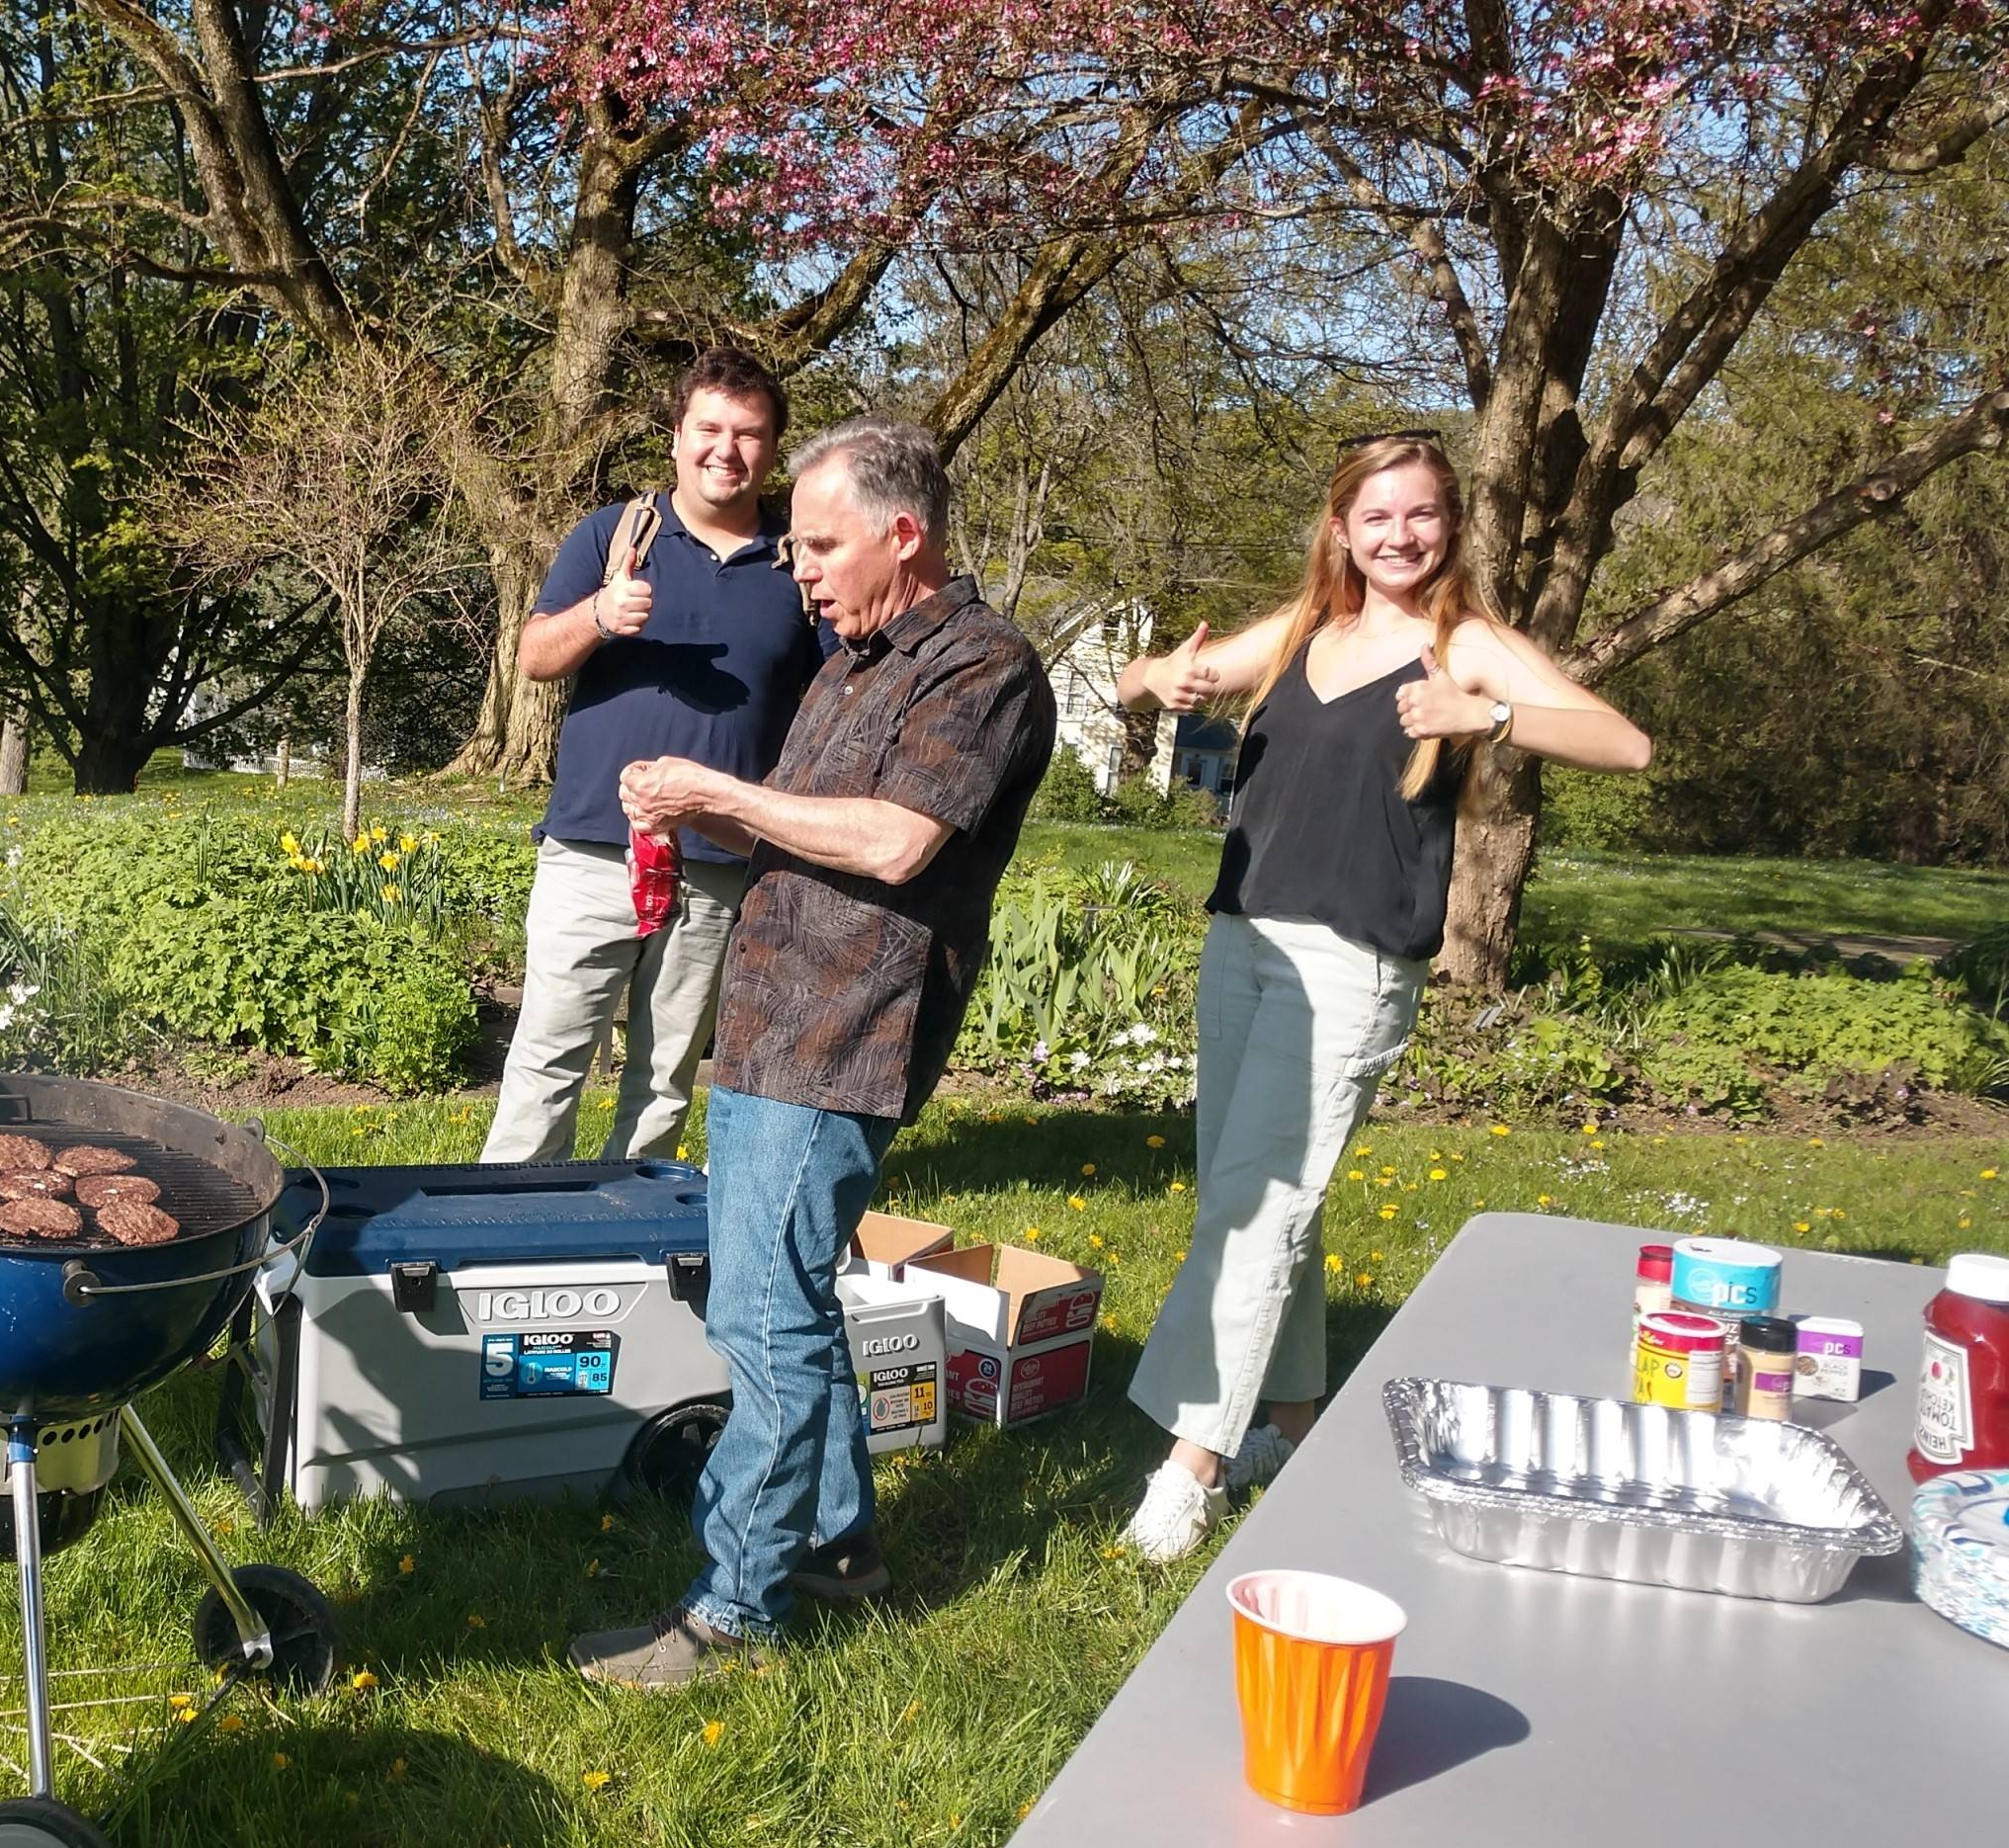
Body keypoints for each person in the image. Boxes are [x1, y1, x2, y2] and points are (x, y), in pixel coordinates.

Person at [567, 419, 1055, 1687]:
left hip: (845, 1032)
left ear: (904, 533)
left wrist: (717, 795)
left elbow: (895, 842)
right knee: (784, 1297)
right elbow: (800, 824)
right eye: (795, 550)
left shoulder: (982, 665)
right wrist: (681, 800)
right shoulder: (851, 660)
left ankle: (737, 1607)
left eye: (823, 547)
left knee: (763, 1320)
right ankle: (836, 1542)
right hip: (770, 1020)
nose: (802, 573)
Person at [1114, 432, 1651, 1561]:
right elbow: (1139, 681)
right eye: (1376, 516)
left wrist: (1488, 719)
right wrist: (1154, 679)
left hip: (1349, 962)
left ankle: (1189, 1466)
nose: (1399, 535)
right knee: (1260, 1201)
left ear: (1447, 525)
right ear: (1340, 528)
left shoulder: (1468, 647)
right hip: (1243, 939)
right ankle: (1293, 1429)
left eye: (1420, 514)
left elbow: (1623, 743)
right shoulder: (1301, 630)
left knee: (1256, 1208)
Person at [479, 346, 822, 1165]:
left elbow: (832, 704)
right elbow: (533, 656)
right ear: (676, 436)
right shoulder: (612, 534)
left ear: (773, 449)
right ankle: (506, 1217)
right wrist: (598, 615)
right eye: (709, 429)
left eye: (748, 434)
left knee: (665, 1077)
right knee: (545, 1065)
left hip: (720, 863)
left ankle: (626, 1217)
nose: (726, 450)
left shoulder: (801, 563)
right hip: (593, 850)